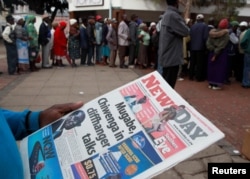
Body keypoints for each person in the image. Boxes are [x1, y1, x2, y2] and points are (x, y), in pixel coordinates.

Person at [0, 101, 84, 178]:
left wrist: (35, 120)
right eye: (74, 118)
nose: (72, 121)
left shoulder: (60, 131)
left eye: (76, 120)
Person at [158, 0, 189, 89]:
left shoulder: (167, 14)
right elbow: (185, 31)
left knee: (166, 84)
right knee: (168, 86)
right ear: (177, 3)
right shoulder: (173, 15)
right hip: (171, 57)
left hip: (167, 55)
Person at [206, 18, 229, 90]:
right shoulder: (226, 34)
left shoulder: (211, 32)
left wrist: (212, 49)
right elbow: (222, 45)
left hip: (211, 52)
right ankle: (216, 85)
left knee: (211, 68)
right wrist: (216, 53)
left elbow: (208, 43)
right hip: (221, 54)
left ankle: (210, 83)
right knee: (219, 69)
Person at [189, 14, 208, 82]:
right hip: (201, 47)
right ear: (203, 19)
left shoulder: (192, 26)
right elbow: (205, 37)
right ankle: (198, 77)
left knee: (192, 62)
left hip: (192, 46)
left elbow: (190, 35)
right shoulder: (205, 26)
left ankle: (191, 76)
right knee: (200, 63)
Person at [240, 23, 250, 88]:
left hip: (248, 52)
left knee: (247, 67)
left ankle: (246, 82)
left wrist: (245, 48)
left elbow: (243, 41)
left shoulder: (248, 31)